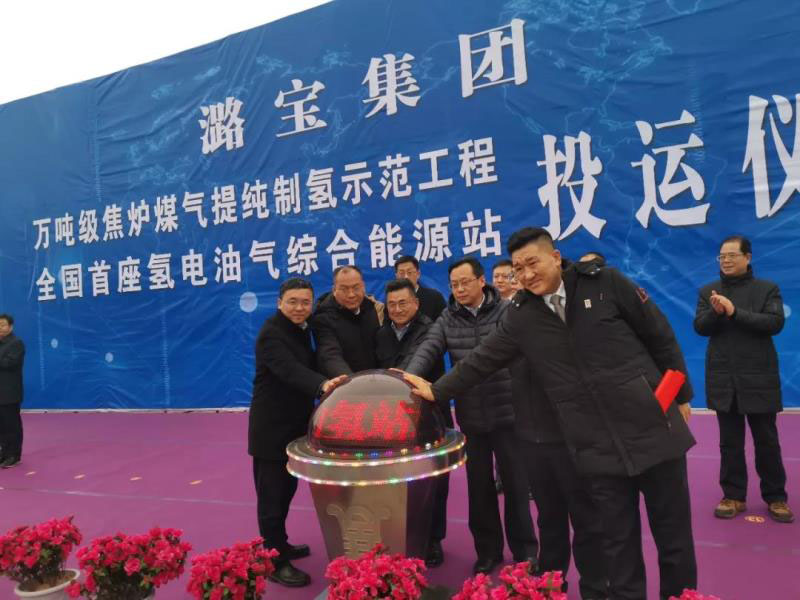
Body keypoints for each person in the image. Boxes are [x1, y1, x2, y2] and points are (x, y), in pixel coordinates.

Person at [404, 227, 697, 600]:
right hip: (596, 448)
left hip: (652, 429)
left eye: (533, 263)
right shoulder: (521, 316)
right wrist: (436, 390)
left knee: (674, 540)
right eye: (518, 268)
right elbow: (482, 359)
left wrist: (679, 395)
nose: (527, 275)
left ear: (555, 257)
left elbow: (659, 335)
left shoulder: (605, 284)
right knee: (618, 545)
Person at [406, 257, 538, 575]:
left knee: (517, 487)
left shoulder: (506, 311)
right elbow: (428, 347)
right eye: (454, 285)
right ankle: (488, 552)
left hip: (509, 413)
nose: (460, 289)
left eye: (465, 282)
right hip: (472, 417)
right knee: (479, 490)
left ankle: (525, 552)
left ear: (482, 281)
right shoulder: (448, 317)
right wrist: (408, 377)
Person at [249, 279, 345, 587]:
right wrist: (323, 384)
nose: (299, 307)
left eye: (305, 302)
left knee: (286, 491)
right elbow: (289, 370)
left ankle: (281, 544)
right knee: (272, 500)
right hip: (271, 431)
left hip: (294, 428)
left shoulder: (302, 329)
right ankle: (274, 561)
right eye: (293, 301)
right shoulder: (271, 333)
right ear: (279, 302)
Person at [694, 235, 793, 523]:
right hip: (724, 378)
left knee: (767, 441)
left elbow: (774, 323)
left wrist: (734, 312)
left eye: (732, 255)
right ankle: (733, 496)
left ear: (747, 257)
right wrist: (716, 313)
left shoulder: (767, 289)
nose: (725, 260)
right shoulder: (708, 291)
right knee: (730, 443)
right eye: (722, 256)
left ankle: (776, 497)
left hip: (759, 377)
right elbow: (700, 327)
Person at [374, 279, 451, 568]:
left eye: (403, 303)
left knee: (434, 482)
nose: (397, 309)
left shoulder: (431, 329)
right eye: (391, 304)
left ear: (416, 304)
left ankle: (433, 539)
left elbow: (415, 362)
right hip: (393, 420)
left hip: (429, 417)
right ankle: (399, 537)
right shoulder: (381, 334)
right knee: (396, 482)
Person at [312, 265, 383, 377]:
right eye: (344, 289)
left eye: (356, 288)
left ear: (363, 286)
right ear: (334, 290)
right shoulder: (323, 318)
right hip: (344, 383)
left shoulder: (369, 307)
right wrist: (350, 382)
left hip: (374, 380)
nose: (351, 294)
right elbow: (330, 355)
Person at [0, 314, 25, 469]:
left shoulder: (16, 343)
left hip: (10, 392)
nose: (0, 328)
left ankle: (14, 455)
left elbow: (9, 363)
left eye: (3, 325)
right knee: (1, 426)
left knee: (11, 425)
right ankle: (4, 453)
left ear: (10, 326)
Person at [394, 255, 447, 320]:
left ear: (418, 274)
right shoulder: (392, 299)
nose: (406, 277)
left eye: (409, 272)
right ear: (396, 276)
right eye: (402, 273)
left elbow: (444, 323)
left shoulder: (435, 297)